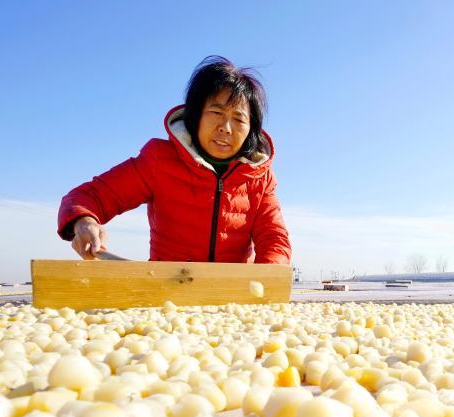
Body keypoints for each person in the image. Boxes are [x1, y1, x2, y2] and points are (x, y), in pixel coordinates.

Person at [58, 56, 292, 265]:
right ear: (195, 115)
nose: (226, 128)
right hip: (166, 293)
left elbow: (274, 239)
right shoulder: (159, 160)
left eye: (239, 119)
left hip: (232, 294)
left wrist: (266, 283)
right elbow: (87, 197)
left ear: (251, 129)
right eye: (216, 113)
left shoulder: (259, 177)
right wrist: (84, 222)